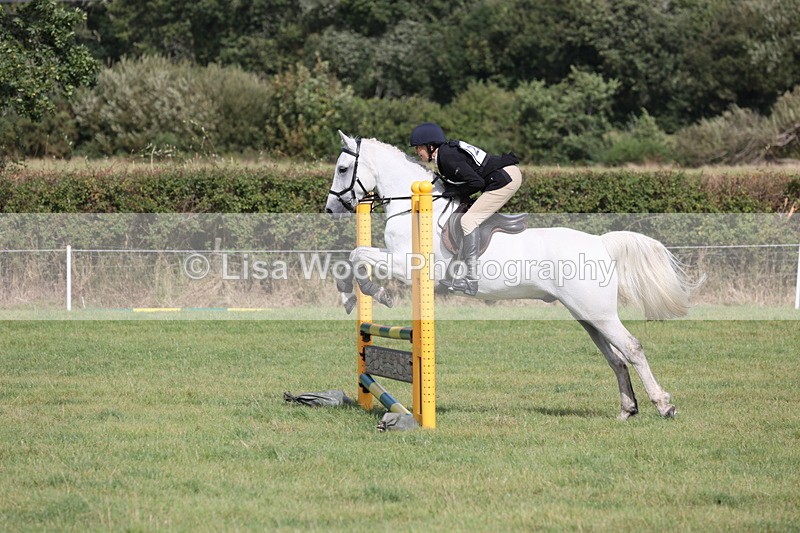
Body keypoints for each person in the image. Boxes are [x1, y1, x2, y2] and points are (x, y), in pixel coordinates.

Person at [409, 122, 522, 296]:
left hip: (504, 178)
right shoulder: (444, 154)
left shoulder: (446, 156)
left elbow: (477, 182)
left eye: (419, 148)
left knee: (468, 221)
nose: (417, 152)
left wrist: (455, 191)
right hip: (499, 176)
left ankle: (470, 278)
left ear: (431, 146)